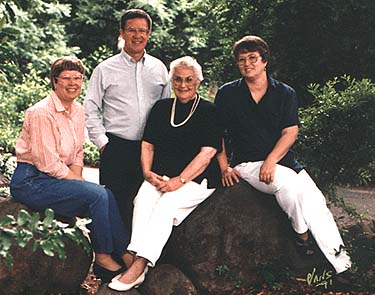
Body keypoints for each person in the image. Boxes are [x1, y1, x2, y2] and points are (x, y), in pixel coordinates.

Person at [214, 36, 352, 278]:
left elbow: (290, 132)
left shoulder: (284, 93)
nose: (247, 64)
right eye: (242, 60)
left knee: (316, 202)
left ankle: (343, 265)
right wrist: (225, 168)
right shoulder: (228, 94)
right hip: (246, 163)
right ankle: (302, 236)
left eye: (253, 58)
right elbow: (218, 134)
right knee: (288, 185)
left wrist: (271, 161)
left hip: (282, 162)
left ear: (264, 61)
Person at [10, 57, 132, 283]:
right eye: (66, 78)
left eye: (77, 78)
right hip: (31, 180)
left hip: (56, 177)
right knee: (96, 195)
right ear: (54, 82)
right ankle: (103, 256)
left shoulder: (77, 111)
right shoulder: (41, 112)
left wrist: (77, 180)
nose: (73, 83)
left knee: (105, 193)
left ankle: (125, 253)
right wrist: (78, 183)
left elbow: (77, 153)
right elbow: (47, 162)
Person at [108, 56, 222, 291]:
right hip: (160, 174)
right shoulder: (161, 108)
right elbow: (147, 145)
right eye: (178, 79)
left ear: (198, 81)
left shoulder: (209, 111)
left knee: (165, 207)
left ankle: (141, 264)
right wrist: (148, 172)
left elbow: (207, 153)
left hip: (197, 179)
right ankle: (133, 252)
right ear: (171, 81)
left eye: (189, 79)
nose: (183, 84)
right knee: (143, 199)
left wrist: (180, 181)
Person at [84, 8, 171, 227]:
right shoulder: (105, 69)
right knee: (113, 205)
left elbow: (167, 107)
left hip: (151, 149)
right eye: (131, 30)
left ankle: (140, 256)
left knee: (147, 204)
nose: (137, 35)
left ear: (149, 33)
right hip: (117, 147)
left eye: (142, 30)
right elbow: (90, 108)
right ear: (122, 32)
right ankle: (110, 258)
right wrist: (104, 144)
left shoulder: (159, 68)